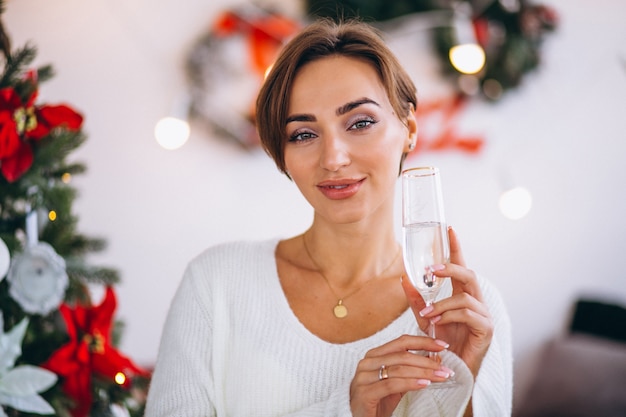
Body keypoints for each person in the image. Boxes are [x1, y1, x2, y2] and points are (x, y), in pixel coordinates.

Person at [145, 18, 512, 417]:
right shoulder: (214, 285)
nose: (333, 158)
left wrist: (459, 385)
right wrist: (347, 410)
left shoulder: (469, 312)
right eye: (303, 134)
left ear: (408, 128)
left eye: (360, 123)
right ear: (281, 153)